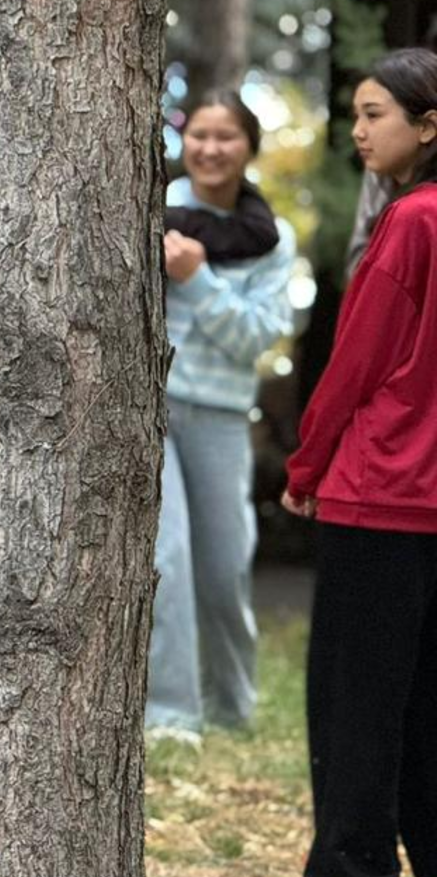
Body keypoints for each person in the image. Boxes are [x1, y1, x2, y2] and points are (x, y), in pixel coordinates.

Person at [269, 48, 437, 877]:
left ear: (429, 125)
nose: (360, 131)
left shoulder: (412, 223)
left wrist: (305, 468)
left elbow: (354, 365)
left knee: (357, 701)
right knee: (427, 695)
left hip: (382, 492)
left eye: (376, 114)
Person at [144, 91, 295, 742]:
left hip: (224, 417)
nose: (211, 148)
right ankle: (172, 716)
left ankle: (232, 708)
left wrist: (200, 280)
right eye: (200, 134)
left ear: (249, 147)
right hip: (154, 409)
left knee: (227, 566)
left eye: (226, 136)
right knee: (168, 558)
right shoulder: (156, 209)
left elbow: (256, 336)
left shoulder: (272, 238)